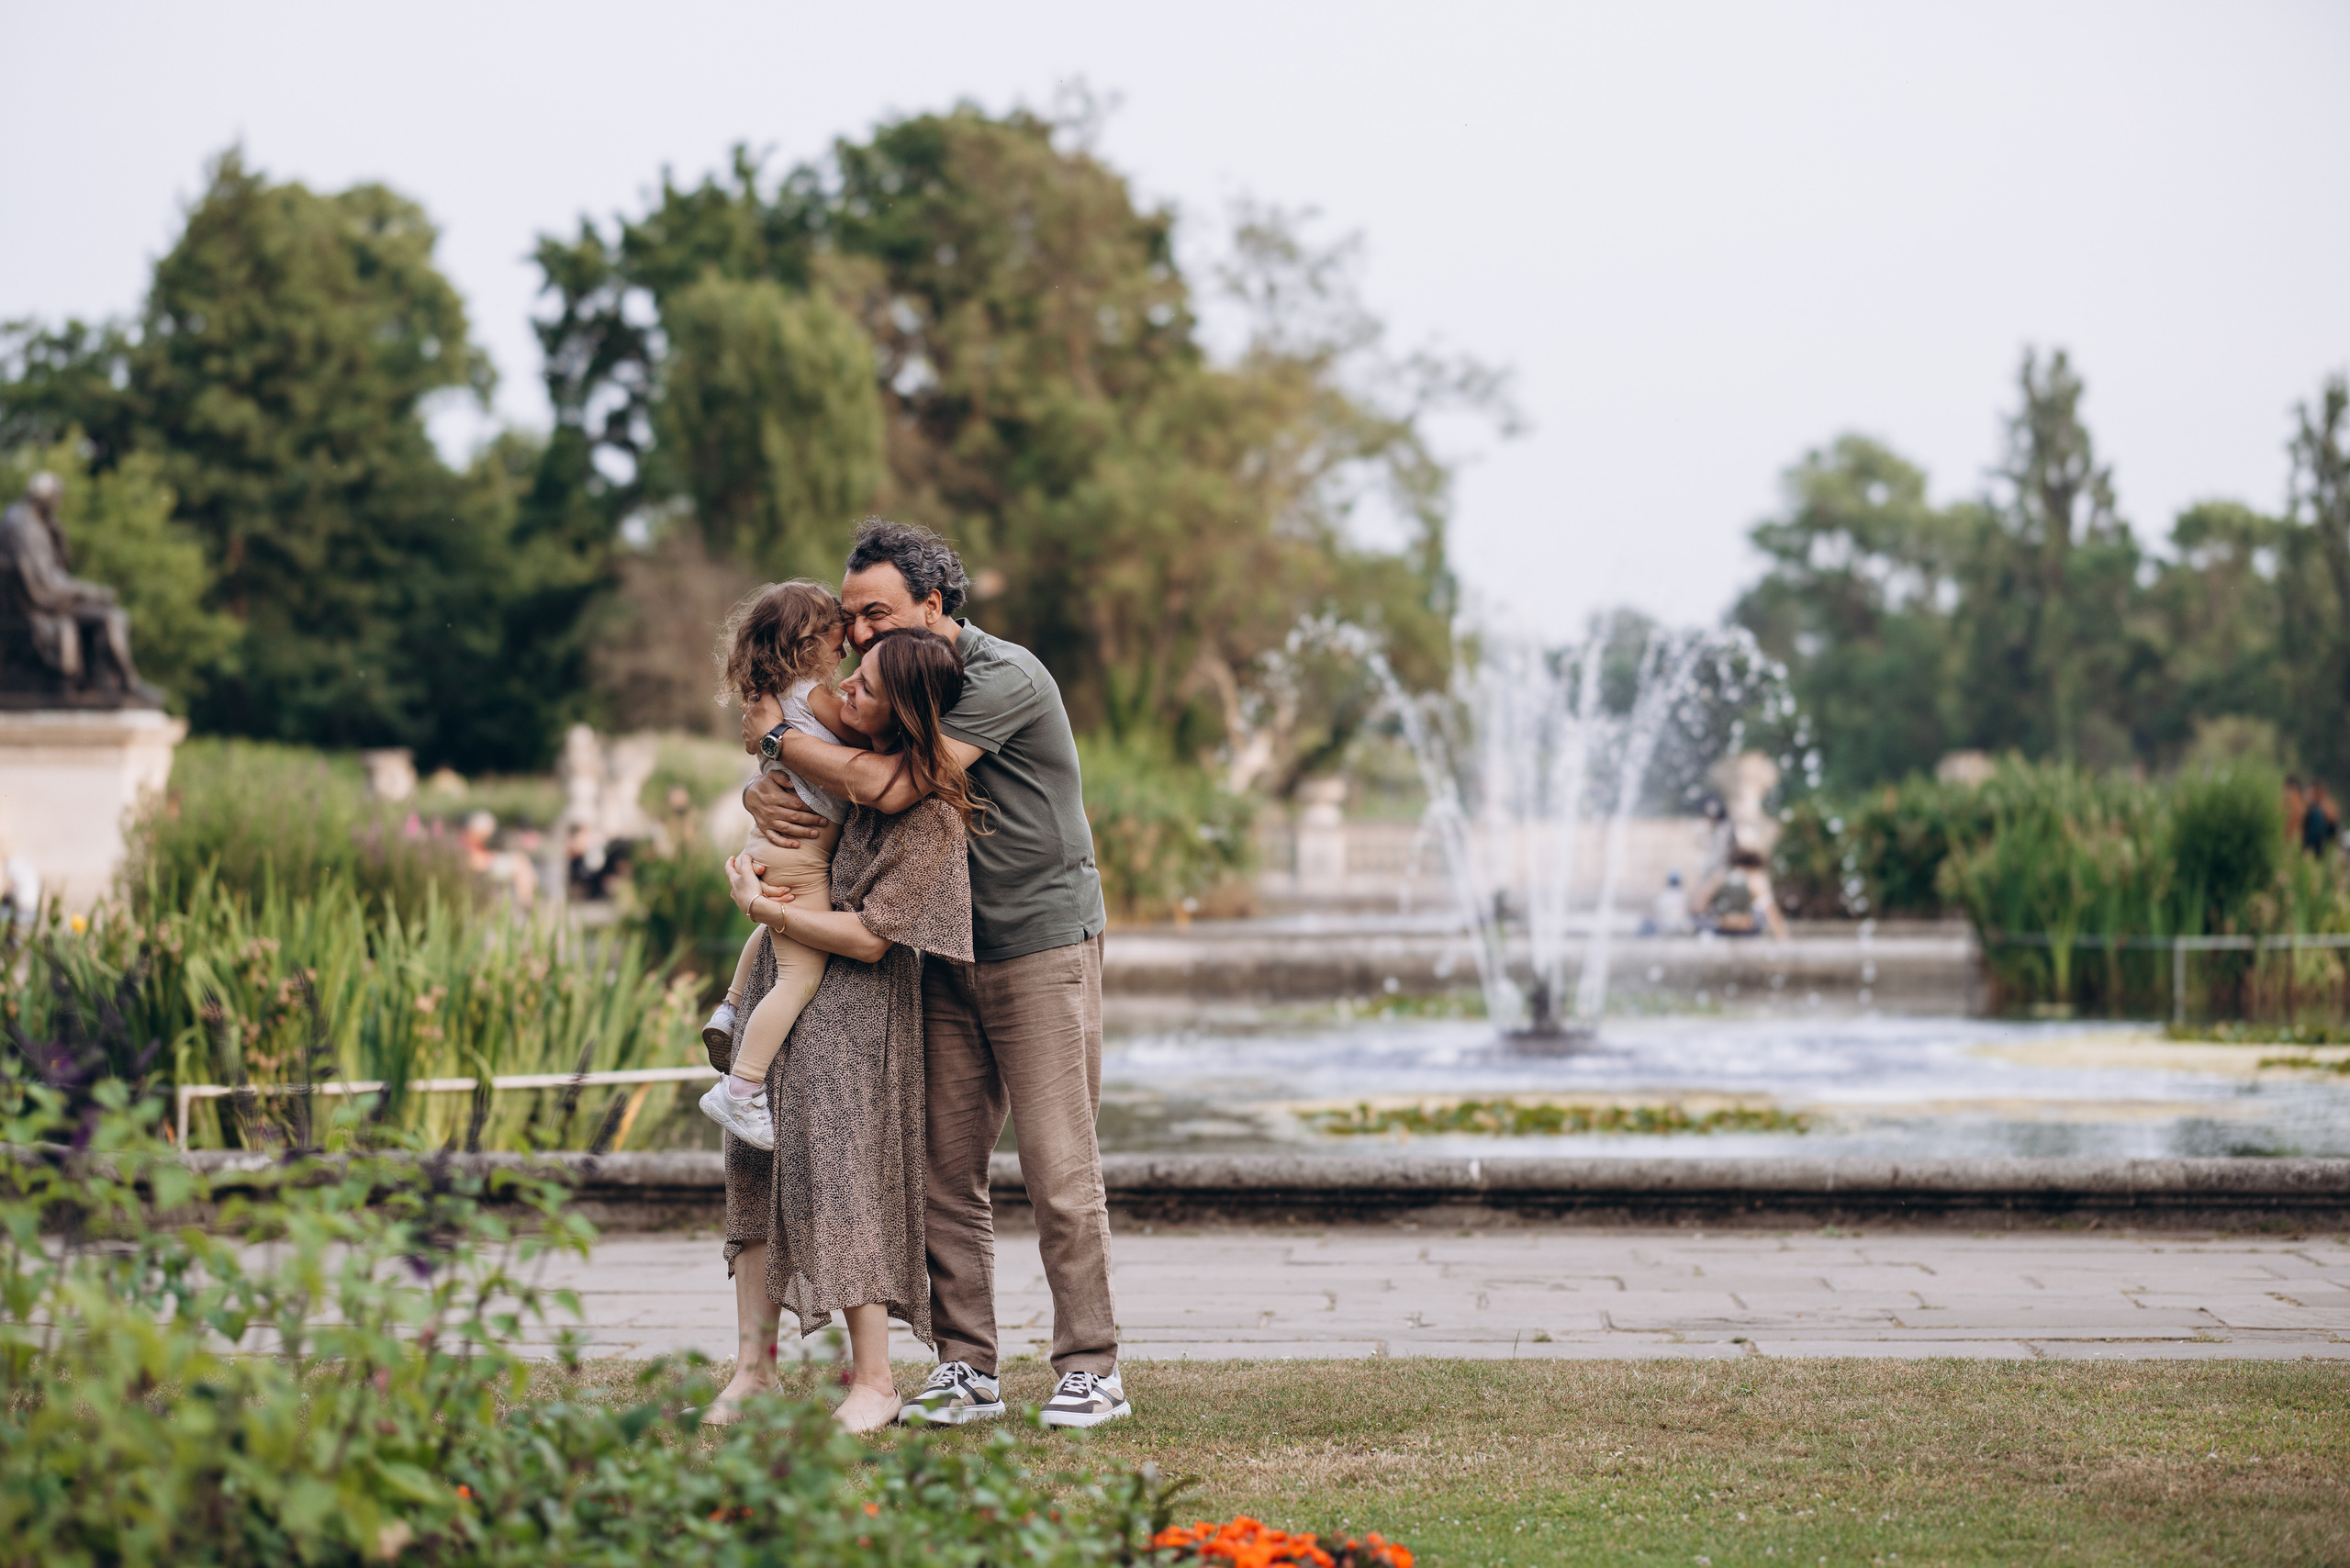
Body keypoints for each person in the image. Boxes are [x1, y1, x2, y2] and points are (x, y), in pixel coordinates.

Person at [744, 520, 1126, 1430]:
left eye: (876, 613)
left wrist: (775, 746)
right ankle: (967, 1367)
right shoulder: (889, 680)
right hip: (940, 947)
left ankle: (1090, 1367)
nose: (859, 634)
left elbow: (894, 785)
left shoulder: (999, 677)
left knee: (1058, 1167)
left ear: (935, 603)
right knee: (943, 1171)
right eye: (850, 618)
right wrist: (764, 782)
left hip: (1036, 944)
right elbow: (828, 783)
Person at [706, 627, 980, 1434]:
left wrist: (758, 906)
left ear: (906, 714)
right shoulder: (824, 774)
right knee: (751, 1169)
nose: (843, 691)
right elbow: (775, 782)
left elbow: (869, 938)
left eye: (864, 688)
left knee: (847, 1180)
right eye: (850, 675)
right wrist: (759, 800)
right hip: (780, 987)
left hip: (857, 1009)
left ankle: (875, 1380)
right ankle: (754, 1370)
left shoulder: (928, 815)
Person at [697, 582, 856, 1150]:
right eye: (841, 627)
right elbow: (864, 737)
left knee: (773, 928)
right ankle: (741, 1091)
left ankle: (730, 1007)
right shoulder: (813, 695)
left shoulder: (777, 694)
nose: (850, 639)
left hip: (769, 846)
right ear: (808, 641)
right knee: (799, 976)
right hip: (801, 856)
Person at [2305, 782, 2341, 858]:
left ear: (2316, 793)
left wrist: (2308, 850)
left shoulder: (2317, 812)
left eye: (2309, 793)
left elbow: (2315, 833)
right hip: (2327, 852)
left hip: (2316, 853)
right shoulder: (2329, 810)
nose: (2307, 796)